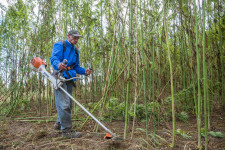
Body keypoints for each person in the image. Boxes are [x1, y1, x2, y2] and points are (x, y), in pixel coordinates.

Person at [50, 30, 92, 138]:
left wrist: (84, 71)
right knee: (64, 105)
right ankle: (66, 132)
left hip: (69, 77)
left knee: (68, 104)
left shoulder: (76, 51)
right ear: (68, 36)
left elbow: (76, 66)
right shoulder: (60, 45)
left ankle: (59, 123)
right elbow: (54, 59)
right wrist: (58, 65)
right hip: (59, 76)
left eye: (78, 38)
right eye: (74, 37)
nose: (76, 40)